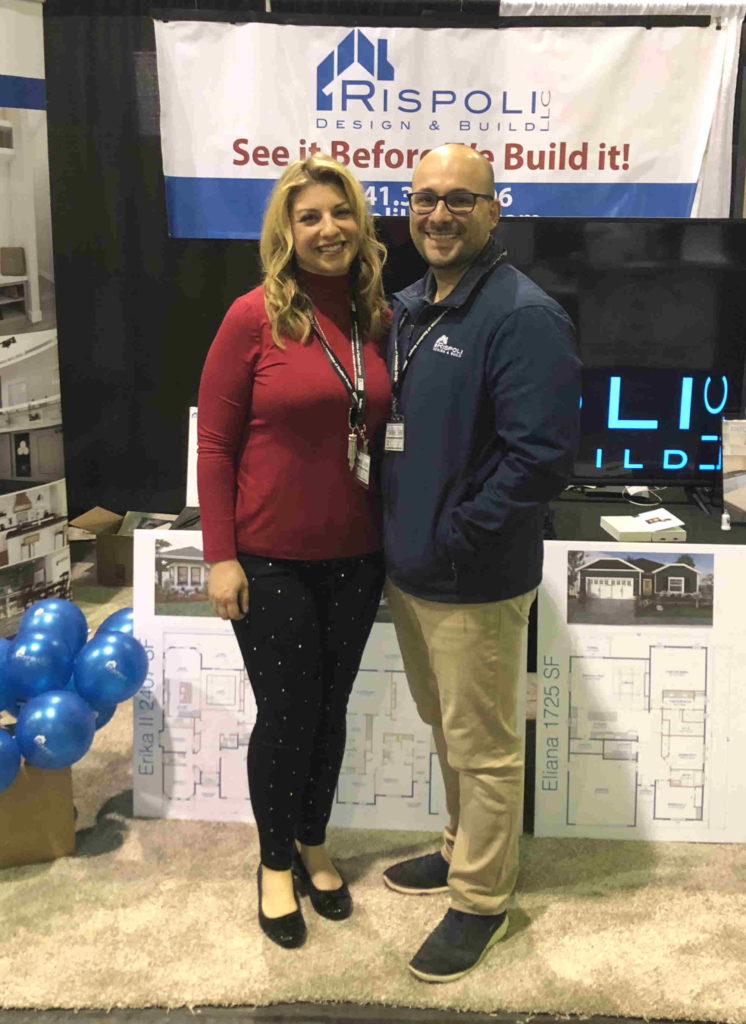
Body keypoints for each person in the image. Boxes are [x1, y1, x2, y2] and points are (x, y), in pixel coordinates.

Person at [381, 143, 581, 982]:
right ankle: (461, 849)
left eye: (462, 199)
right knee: (448, 731)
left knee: (487, 747)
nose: (439, 213)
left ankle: (480, 902)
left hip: (471, 575)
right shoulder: (408, 307)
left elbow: (541, 458)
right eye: (426, 198)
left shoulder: (521, 314)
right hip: (411, 567)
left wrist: (461, 534)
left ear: (496, 211)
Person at [197, 154, 390, 950]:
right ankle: (274, 862)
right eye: (308, 217)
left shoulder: (375, 317)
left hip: (357, 554)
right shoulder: (254, 316)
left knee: (331, 710)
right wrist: (220, 556)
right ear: (286, 232)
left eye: (339, 213)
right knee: (288, 711)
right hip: (269, 556)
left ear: (359, 225)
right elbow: (214, 443)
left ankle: (314, 840)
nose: (326, 229)